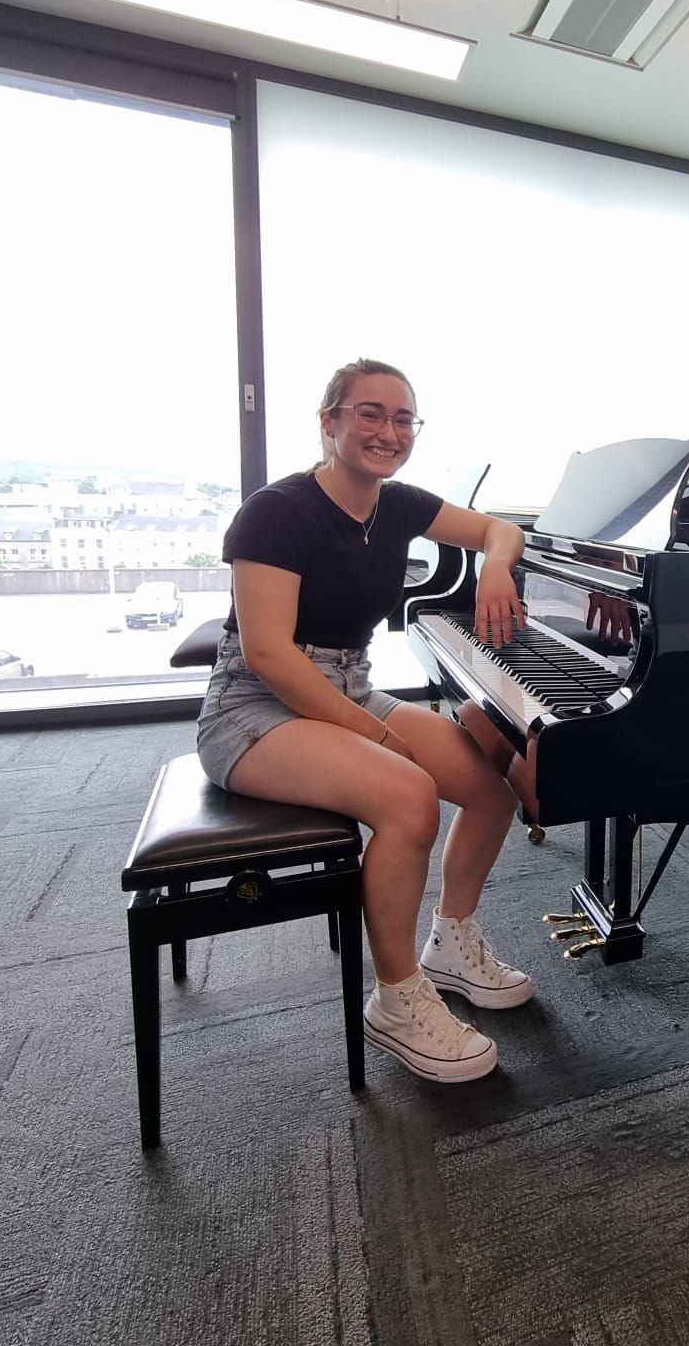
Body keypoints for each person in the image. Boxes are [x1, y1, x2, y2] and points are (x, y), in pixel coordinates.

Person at [197, 357, 530, 1085]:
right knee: (409, 795)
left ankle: (452, 942)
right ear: (330, 421)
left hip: (349, 684)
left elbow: (500, 530)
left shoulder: (398, 504)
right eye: (369, 414)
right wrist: (378, 736)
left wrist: (497, 566)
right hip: (252, 707)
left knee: (489, 789)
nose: (388, 431)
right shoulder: (277, 511)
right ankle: (397, 998)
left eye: (403, 418)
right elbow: (267, 654)